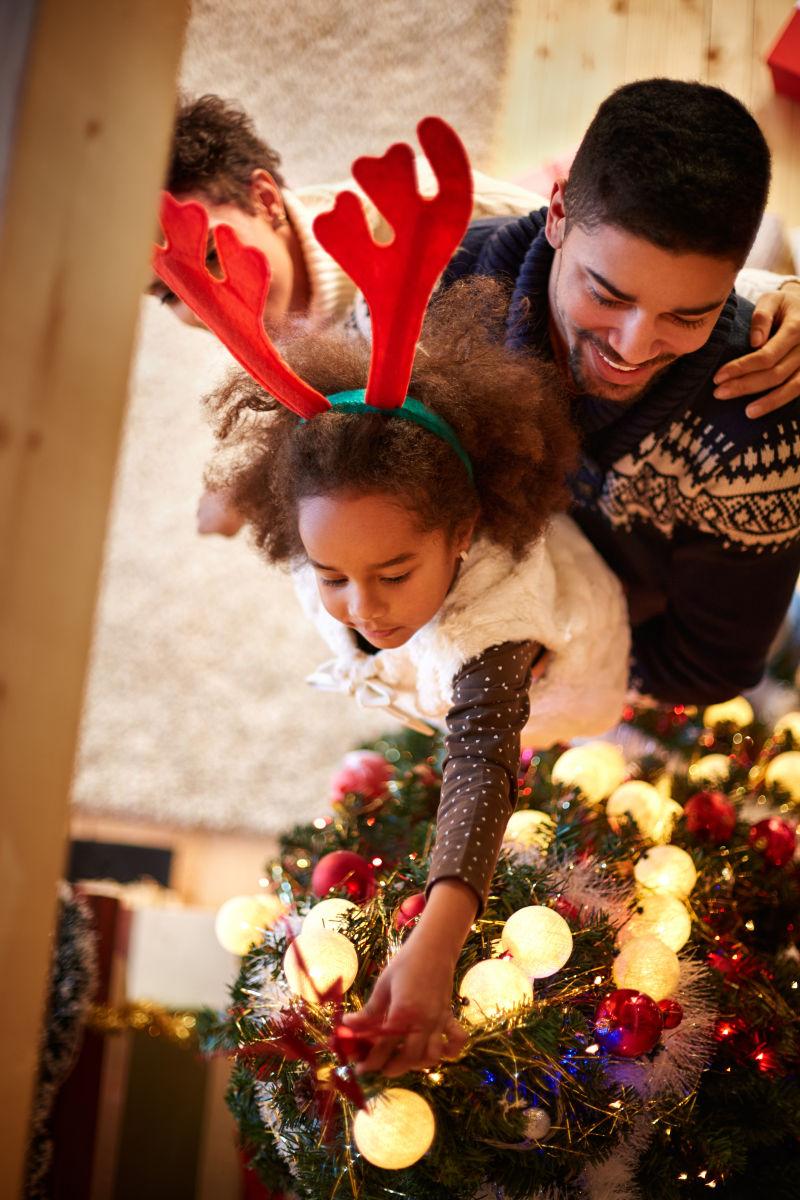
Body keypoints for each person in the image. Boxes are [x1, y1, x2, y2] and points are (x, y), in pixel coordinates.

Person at [203, 278, 630, 1079]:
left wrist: (436, 945)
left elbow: (480, 757)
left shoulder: (492, 628)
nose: (362, 607)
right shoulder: (334, 544)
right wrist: (229, 498)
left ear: (462, 532)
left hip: (572, 676)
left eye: (394, 573)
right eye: (332, 574)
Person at [150, 94, 800, 537]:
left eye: (210, 254)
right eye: (169, 292)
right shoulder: (251, 320)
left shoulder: (435, 233)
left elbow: (618, 268)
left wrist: (778, 293)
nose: (205, 297)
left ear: (266, 199)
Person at [441, 78, 800, 705]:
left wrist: (563, 656)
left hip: (629, 666)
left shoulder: (760, 422)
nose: (632, 350)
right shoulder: (440, 295)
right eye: (607, 295)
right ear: (556, 215)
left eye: (689, 316)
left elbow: (709, 668)